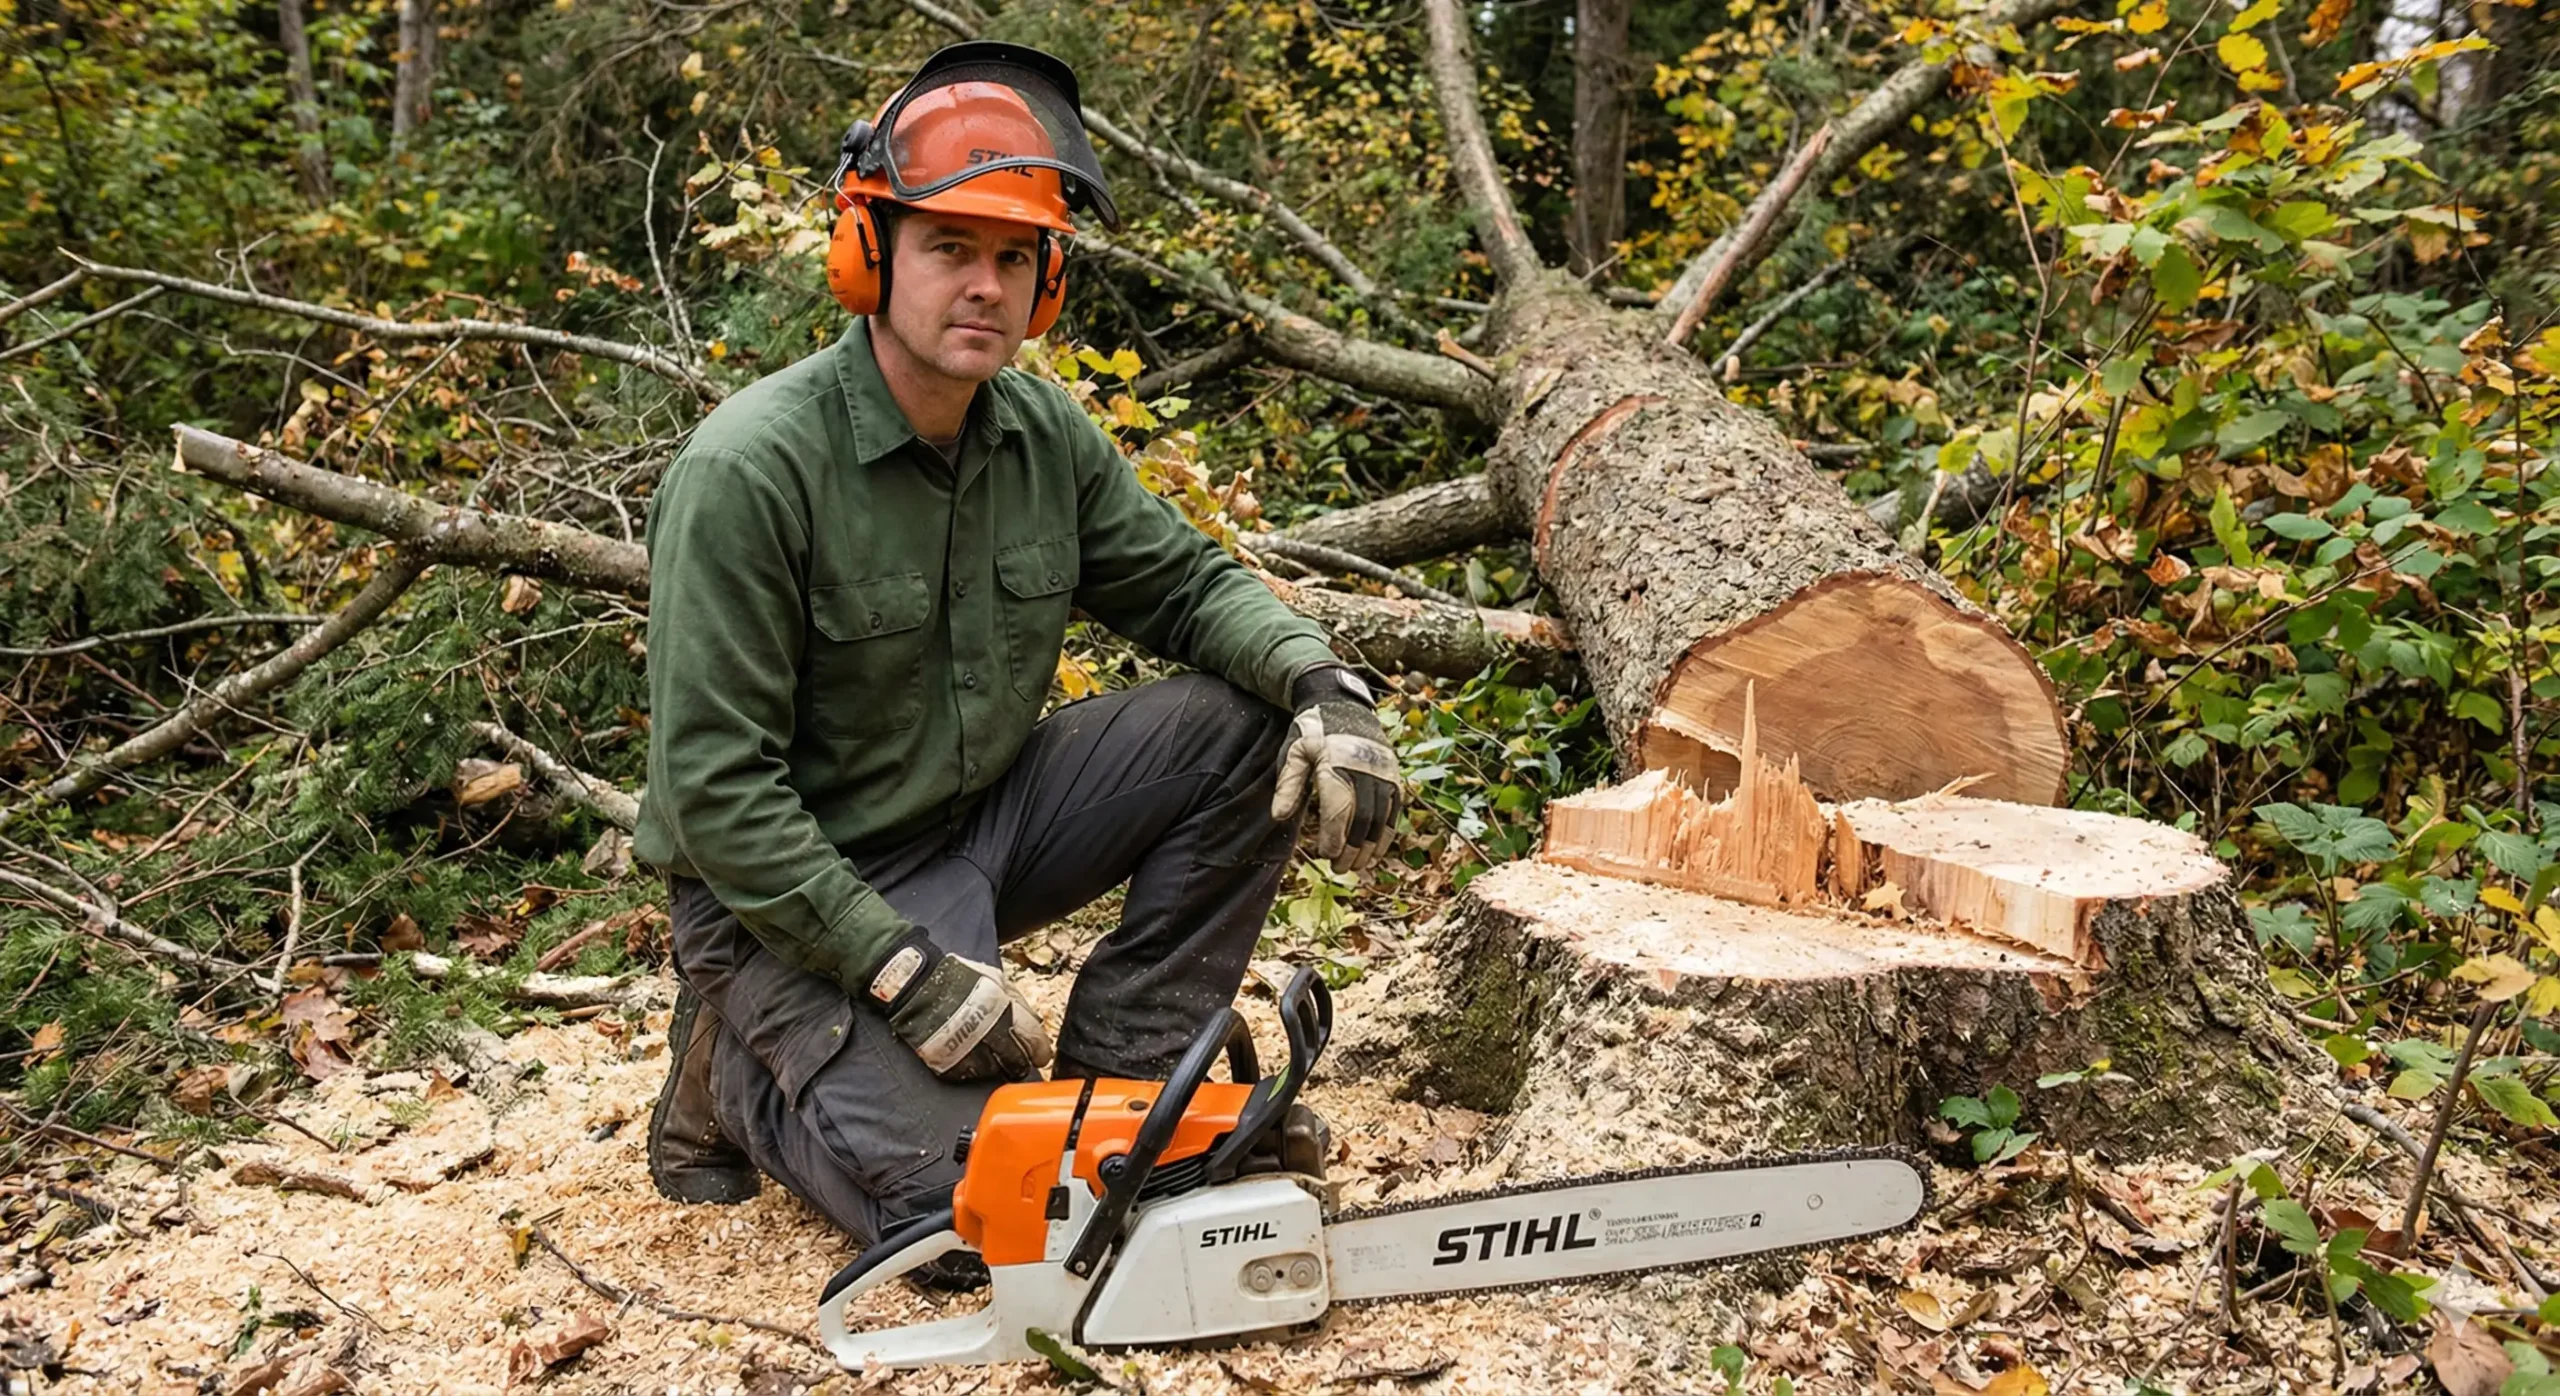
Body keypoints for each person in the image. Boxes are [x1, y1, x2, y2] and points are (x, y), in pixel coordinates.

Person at [631, 41, 1404, 1277]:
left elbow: (1188, 583)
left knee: (1244, 723)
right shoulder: (751, 471)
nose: (983, 285)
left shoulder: (1038, 431)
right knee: (977, 1219)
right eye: (949, 249)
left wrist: (1324, 684)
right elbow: (718, 794)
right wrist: (893, 968)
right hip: (783, 896)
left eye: (1012, 257)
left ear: (1045, 282)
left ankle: (1130, 1087)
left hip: (975, 825)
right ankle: (738, 1069)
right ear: (870, 253)